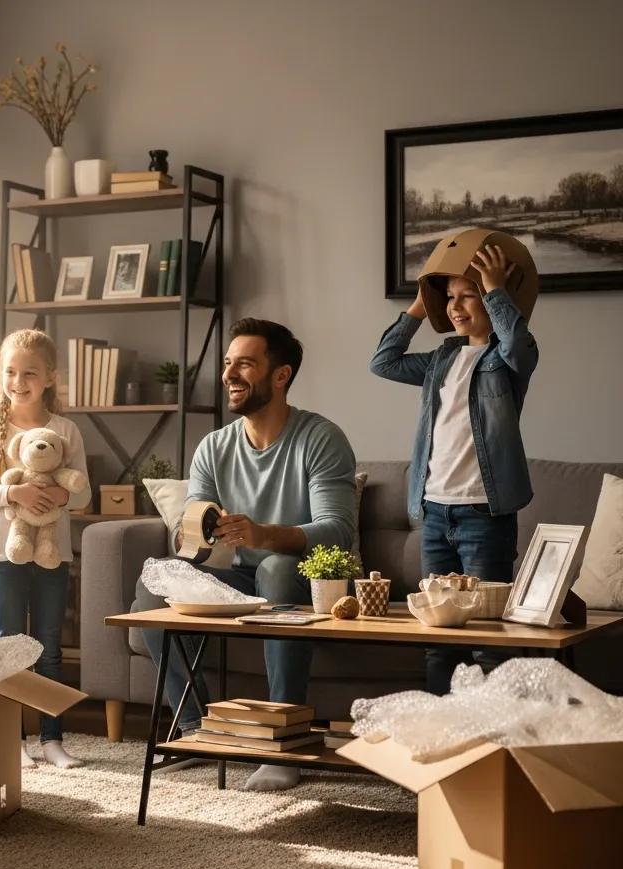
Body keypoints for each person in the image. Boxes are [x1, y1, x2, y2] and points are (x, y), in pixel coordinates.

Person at [134, 318, 357, 792]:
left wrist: (264, 535)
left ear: (280, 376)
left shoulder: (320, 438)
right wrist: (194, 535)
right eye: (228, 363)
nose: (230, 374)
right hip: (243, 582)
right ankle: (195, 730)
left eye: (246, 364)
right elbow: (189, 529)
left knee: (276, 569)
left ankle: (284, 746)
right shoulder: (214, 447)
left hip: (313, 583)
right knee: (154, 583)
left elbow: (339, 532)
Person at [369, 240, 539, 694]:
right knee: (439, 640)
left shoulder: (506, 360)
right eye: (451, 297)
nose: (455, 305)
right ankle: (444, 733)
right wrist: (419, 309)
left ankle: (488, 737)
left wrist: (496, 288)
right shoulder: (441, 358)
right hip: (434, 513)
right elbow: (382, 363)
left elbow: (518, 346)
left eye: (468, 295)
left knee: (486, 637)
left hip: (484, 515)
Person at [0, 329, 91, 769]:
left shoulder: (65, 430)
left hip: (53, 556)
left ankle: (52, 739)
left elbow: (82, 493)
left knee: (49, 647)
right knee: (8, 646)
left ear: (50, 377)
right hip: (3, 555)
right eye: (11, 372)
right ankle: (11, 741)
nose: (19, 381)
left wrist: (58, 497)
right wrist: (14, 495)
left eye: (30, 373)